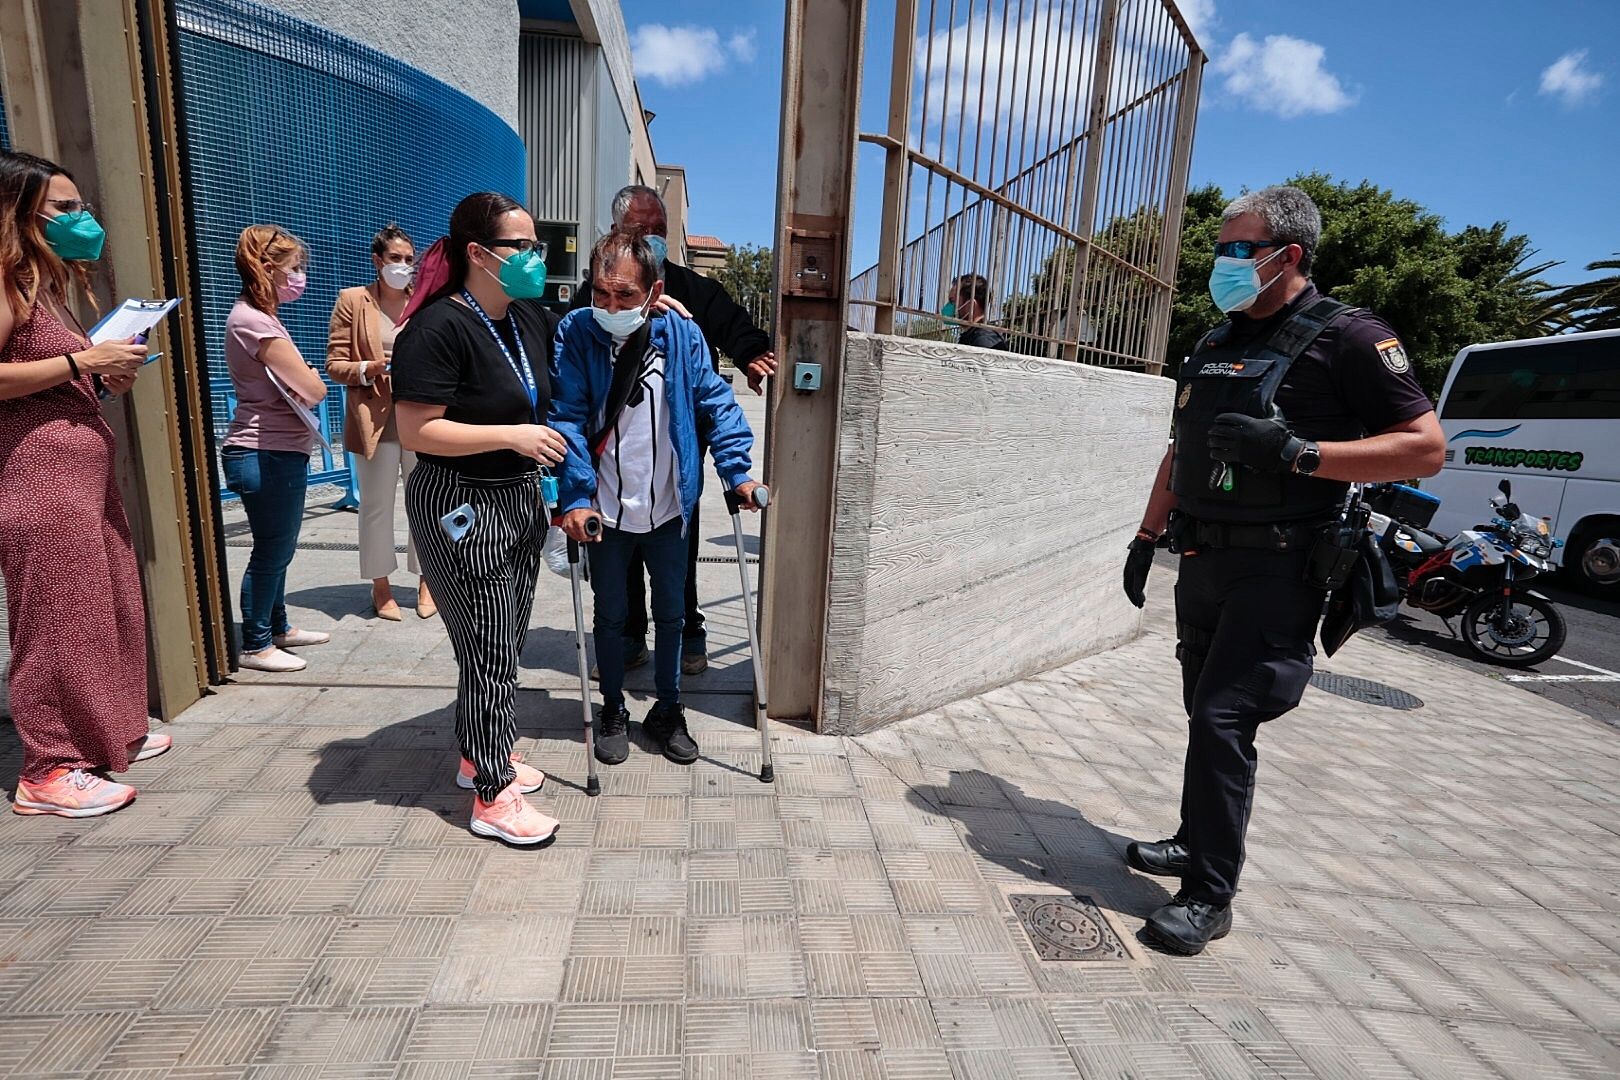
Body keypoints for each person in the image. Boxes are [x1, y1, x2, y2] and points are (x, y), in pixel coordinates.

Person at [1120, 185, 1444, 955]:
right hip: (1202, 556)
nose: (1222, 262)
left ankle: (1209, 895)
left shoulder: (1351, 338)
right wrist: (1145, 533)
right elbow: (1183, 446)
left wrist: (1299, 453)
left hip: (1283, 565)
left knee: (1226, 718)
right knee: (1203, 705)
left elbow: (1425, 448)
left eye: (1238, 249)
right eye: (1222, 249)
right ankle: (1195, 837)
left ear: (1287, 256)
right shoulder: (1215, 337)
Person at [0, 150, 171, 818]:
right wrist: (83, 358)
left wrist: (100, 377)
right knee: (55, 622)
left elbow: (48, 374)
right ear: (19, 213)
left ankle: (107, 733)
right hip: (39, 479)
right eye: (64, 209)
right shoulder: (8, 282)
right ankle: (46, 770)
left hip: (81, 474)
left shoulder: (47, 289)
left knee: (107, 607)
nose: (83, 219)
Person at [552, 231, 761, 768]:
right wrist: (575, 495)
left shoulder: (681, 334)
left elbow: (715, 400)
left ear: (654, 291)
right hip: (607, 511)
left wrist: (737, 471)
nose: (611, 306)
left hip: (669, 508)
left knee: (671, 616)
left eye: (625, 295)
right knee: (613, 616)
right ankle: (614, 708)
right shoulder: (577, 333)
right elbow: (568, 418)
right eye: (601, 293)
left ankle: (668, 710)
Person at [391, 192, 563, 846]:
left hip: (518, 497)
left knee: (500, 641)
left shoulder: (526, 319)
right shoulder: (437, 329)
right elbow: (417, 429)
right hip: (459, 502)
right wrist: (512, 436)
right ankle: (493, 794)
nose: (533, 256)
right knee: (490, 649)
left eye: (532, 243)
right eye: (519, 246)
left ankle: (477, 752)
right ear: (477, 254)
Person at [572, 185, 776, 677]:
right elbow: (569, 356)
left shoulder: (690, 291)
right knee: (619, 564)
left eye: (659, 231)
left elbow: (731, 328)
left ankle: (688, 633)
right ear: (617, 232)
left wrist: (751, 352)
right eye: (641, 231)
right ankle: (627, 639)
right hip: (615, 462)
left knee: (675, 558)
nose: (652, 240)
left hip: (675, 457)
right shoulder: (597, 295)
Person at [220, 225, 332, 673]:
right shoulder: (254, 322)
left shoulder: (262, 318)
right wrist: (307, 371)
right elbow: (313, 387)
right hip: (264, 450)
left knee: (279, 547)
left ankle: (278, 627)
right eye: (294, 268)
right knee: (271, 549)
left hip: (277, 449)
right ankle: (257, 643)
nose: (300, 277)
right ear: (267, 269)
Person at [326, 224, 435, 621]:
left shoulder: (422, 302)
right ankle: (381, 587)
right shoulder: (354, 301)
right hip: (373, 418)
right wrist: (369, 369)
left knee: (425, 504)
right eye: (395, 258)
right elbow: (334, 364)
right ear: (378, 260)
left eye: (409, 259)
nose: (403, 266)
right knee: (375, 506)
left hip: (420, 415)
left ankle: (428, 581)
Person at [944, 273, 1009, 351]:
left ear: (971, 305)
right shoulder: (972, 336)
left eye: (952, 301)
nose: (948, 306)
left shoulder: (984, 341)